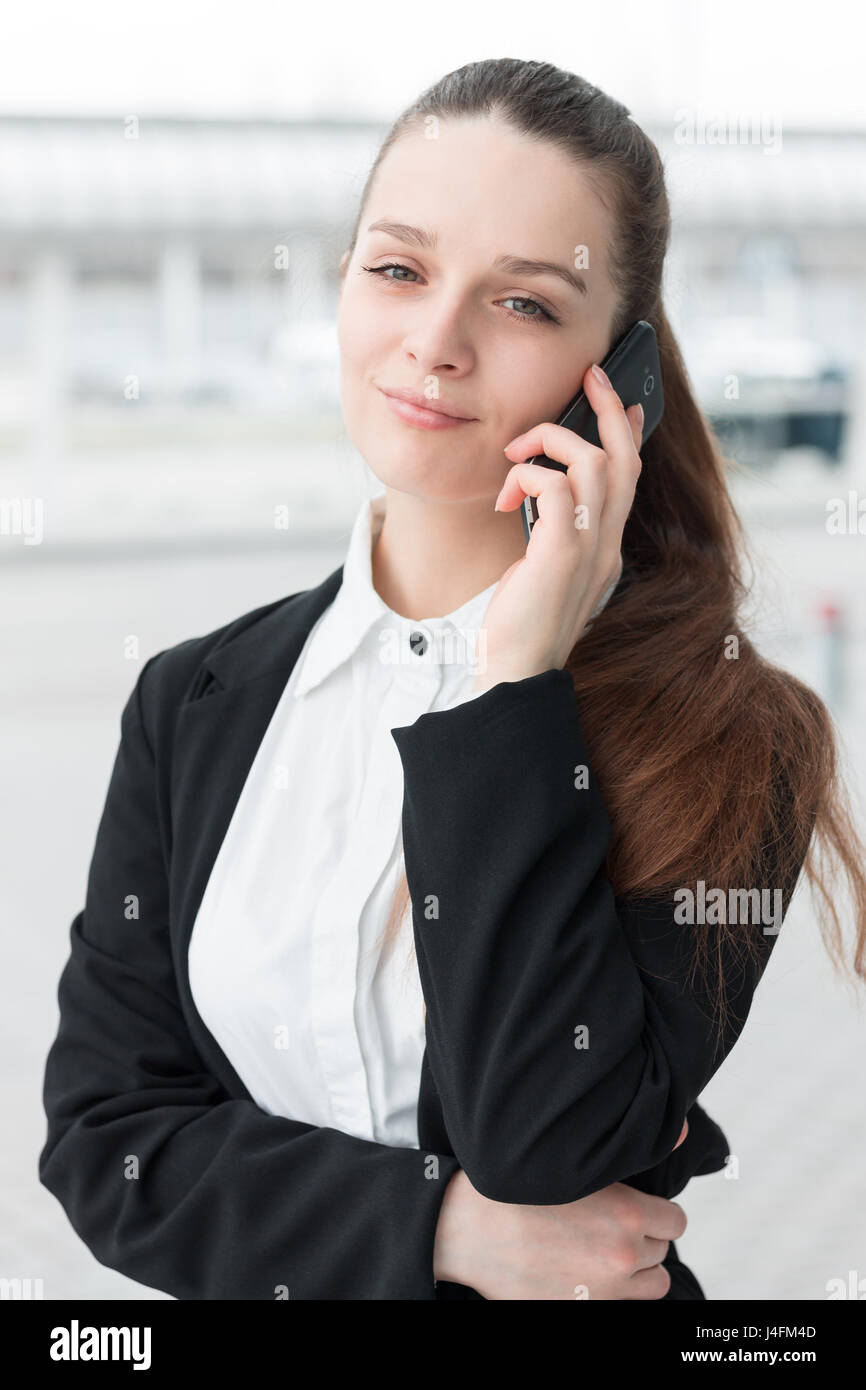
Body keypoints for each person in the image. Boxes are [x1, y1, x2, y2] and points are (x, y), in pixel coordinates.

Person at [39, 58, 866, 1302]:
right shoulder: (192, 698)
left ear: (618, 373)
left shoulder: (733, 730)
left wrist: (514, 682)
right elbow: (107, 1143)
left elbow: (548, 1137)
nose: (434, 342)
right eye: (398, 269)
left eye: (524, 304)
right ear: (344, 285)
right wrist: (439, 1229)